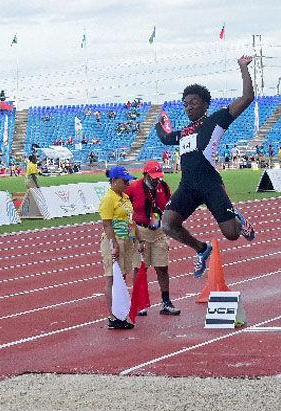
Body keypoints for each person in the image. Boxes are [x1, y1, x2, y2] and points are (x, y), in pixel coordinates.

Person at [155, 55, 256, 279]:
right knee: (168, 224)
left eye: (193, 102)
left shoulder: (216, 120)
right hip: (188, 186)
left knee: (231, 234)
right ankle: (201, 249)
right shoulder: (182, 133)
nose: (188, 107)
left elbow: (247, 97)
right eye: (185, 104)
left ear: (205, 104)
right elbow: (164, 138)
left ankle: (237, 218)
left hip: (210, 184)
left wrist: (243, 68)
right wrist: (157, 124)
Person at [125, 161, 180, 316]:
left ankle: (166, 302)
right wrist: (133, 237)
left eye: (158, 177)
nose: (157, 180)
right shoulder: (134, 188)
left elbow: (169, 208)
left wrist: (169, 230)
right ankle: (139, 302)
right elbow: (125, 214)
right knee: (139, 269)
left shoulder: (164, 187)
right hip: (140, 232)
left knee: (163, 267)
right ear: (145, 175)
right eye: (153, 177)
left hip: (158, 232)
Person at [99, 166, 143, 330]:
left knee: (121, 277)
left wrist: (139, 239)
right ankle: (113, 317)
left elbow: (131, 221)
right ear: (114, 181)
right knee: (111, 278)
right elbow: (106, 224)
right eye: (125, 181)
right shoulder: (109, 199)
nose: (128, 183)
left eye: (128, 181)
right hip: (114, 242)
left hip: (126, 240)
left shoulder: (124, 197)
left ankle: (119, 312)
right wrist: (114, 244)